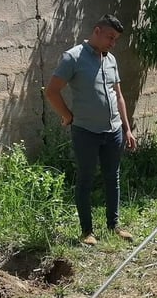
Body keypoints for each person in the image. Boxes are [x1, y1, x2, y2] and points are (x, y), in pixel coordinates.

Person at [45, 15, 137, 245]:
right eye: (110, 37)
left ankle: (114, 225)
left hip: (113, 130)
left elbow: (118, 95)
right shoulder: (73, 57)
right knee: (85, 179)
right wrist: (67, 116)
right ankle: (87, 231)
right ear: (97, 31)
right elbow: (52, 91)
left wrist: (127, 128)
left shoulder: (111, 60)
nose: (112, 43)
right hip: (85, 131)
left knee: (112, 177)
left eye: (115, 39)